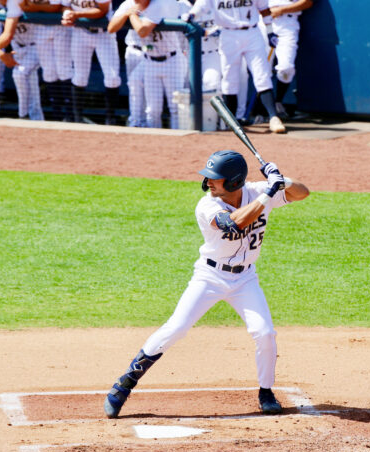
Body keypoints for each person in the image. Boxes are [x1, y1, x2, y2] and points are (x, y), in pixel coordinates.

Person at [104, 152, 309, 418]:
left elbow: (303, 193)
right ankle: (125, 382)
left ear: (234, 181)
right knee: (176, 328)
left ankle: (266, 392)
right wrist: (270, 192)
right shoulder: (207, 205)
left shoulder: (257, 191)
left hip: (245, 279)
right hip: (210, 276)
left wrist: (283, 181)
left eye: (215, 178)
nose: (208, 181)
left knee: (265, 333)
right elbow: (234, 224)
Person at [186, 0, 287, 133]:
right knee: (229, 78)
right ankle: (231, 121)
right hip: (228, 34)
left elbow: (264, 9)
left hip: (252, 32)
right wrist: (192, 14)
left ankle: (273, 117)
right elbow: (201, 5)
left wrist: (270, 31)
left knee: (262, 74)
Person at [108, 0, 182, 129]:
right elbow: (111, 28)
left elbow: (142, 31)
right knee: (152, 109)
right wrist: (126, 14)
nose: (137, 1)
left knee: (175, 107)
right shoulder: (129, 4)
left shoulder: (159, 5)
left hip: (171, 59)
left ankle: (178, 136)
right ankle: (144, 129)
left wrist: (132, 15)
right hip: (149, 59)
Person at [62, 0, 121, 124]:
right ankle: (78, 120)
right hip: (80, 32)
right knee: (79, 77)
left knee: (112, 78)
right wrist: (67, 15)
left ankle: (110, 120)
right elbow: (65, 6)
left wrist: (76, 15)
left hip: (104, 33)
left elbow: (103, 10)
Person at [19, 0, 74, 121]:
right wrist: (42, 7)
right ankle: (57, 115)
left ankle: (71, 115)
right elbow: (23, 6)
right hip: (40, 28)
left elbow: (55, 7)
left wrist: (35, 7)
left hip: (60, 26)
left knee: (64, 70)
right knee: (48, 71)